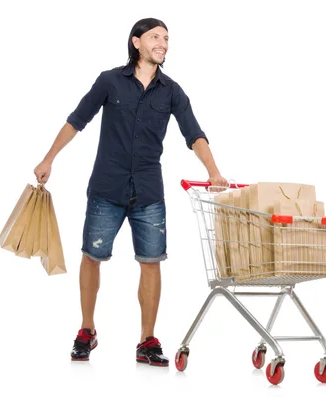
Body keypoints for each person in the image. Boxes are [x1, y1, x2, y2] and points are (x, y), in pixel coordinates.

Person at [33, 18, 228, 366]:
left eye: (167, 38)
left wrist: (213, 170)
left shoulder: (172, 91)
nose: (163, 43)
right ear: (136, 42)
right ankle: (87, 330)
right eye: (156, 37)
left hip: (149, 192)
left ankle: (146, 340)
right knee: (92, 257)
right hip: (107, 188)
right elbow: (77, 120)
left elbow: (194, 134)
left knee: (151, 262)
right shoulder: (109, 81)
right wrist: (49, 159)